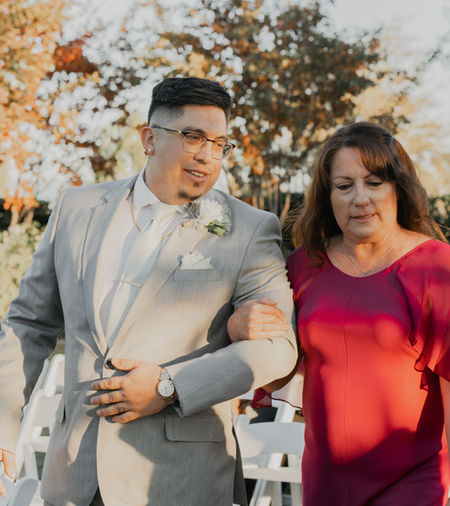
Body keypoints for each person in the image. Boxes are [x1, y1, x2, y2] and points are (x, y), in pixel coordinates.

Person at [0, 77, 298, 506]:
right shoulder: (75, 209)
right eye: (193, 136)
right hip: (75, 476)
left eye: (219, 143)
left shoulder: (250, 229)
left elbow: (277, 346)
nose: (207, 155)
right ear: (149, 138)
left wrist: (169, 385)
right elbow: (28, 322)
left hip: (180, 479)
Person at [229, 122, 450, 505]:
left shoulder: (436, 268)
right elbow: (281, 367)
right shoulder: (303, 265)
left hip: (415, 481)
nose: (359, 199)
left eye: (374, 182)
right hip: (324, 479)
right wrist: (239, 326)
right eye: (344, 186)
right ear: (328, 195)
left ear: (399, 187)